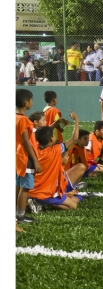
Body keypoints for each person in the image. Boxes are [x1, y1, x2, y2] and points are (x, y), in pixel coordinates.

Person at [29, 111, 89, 211]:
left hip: (33, 190)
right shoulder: (56, 149)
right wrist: (76, 120)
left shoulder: (34, 148)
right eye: (53, 134)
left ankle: (38, 201)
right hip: (47, 192)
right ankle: (42, 203)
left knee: (73, 200)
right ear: (51, 139)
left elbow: (44, 134)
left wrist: (55, 123)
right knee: (74, 204)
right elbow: (74, 138)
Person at [16, 89, 41, 223]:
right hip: (25, 157)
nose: (32, 102)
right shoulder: (24, 120)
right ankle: (20, 215)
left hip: (17, 156)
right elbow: (26, 141)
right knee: (25, 187)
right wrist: (35, 161)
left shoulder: (14, 117)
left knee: (18, 185)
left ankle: (15, 212)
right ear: (26, 103)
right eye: (31, 100)